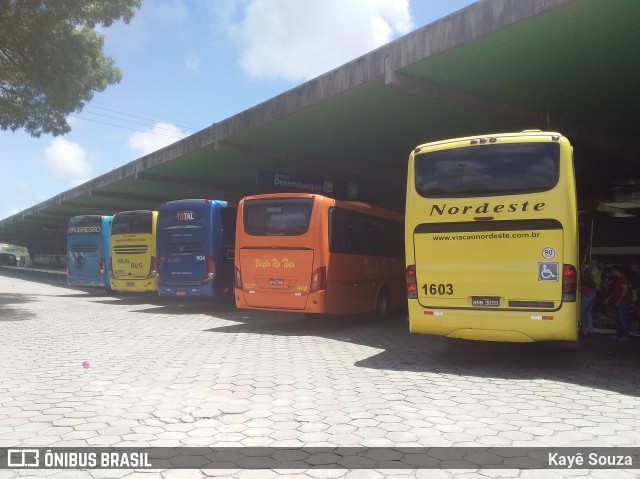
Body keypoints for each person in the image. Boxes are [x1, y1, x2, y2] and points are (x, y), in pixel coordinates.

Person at [607, 265, 633, 341]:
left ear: (616, 271)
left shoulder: (622, 278)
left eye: (613, 271)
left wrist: (619, 300)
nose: (612, 273)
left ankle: (625, 335)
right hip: (620, 301)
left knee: (622, 318)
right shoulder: (619, 279)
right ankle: (620, 334)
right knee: (619, 318)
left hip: (623, 302)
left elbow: (625, 290)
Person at [580, 271, 597, 336]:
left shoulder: (582, 279)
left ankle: (584, 330)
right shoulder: (591, 280)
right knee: (588, 312)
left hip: (586, 296)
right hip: (593, 295)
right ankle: (590, 329)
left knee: (583, 313)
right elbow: (595, 286)